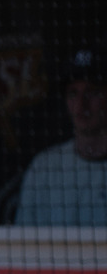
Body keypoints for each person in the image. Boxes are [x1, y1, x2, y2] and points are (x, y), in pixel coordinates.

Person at [15, 47, 107, 226]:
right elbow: (22, 246)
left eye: (92, 91)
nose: (82, 104)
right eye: (73, 93)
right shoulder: (43, 168)